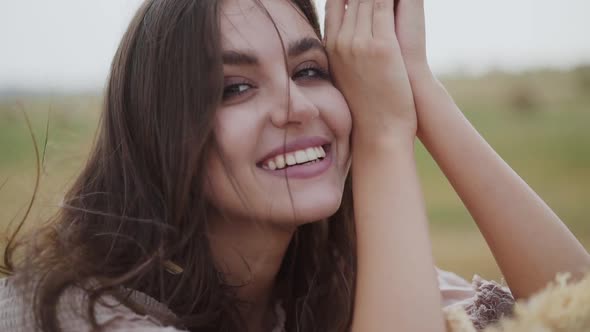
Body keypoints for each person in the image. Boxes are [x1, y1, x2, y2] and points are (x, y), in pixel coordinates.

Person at [1, 0, 589, 331]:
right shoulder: (73, 316)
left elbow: (574, 310)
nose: (297, 106)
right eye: (234, 88)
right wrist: (385, 141)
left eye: (311, 70)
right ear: (162, 134)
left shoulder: (327, 293)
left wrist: (420, 89)